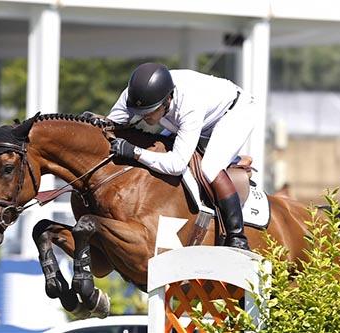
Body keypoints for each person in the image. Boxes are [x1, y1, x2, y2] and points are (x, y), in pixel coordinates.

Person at [107, 63, 258, 250]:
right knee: (157, 149)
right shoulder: (134, 95)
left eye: (150, 111)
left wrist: (135, 152)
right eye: (141, 112)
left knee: (209, 168)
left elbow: (177, 165)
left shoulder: (190, 105)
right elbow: (110, 125)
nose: (144, 116)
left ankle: (237, 237)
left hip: (235, 113)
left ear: (167, 99)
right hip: (187, 120)